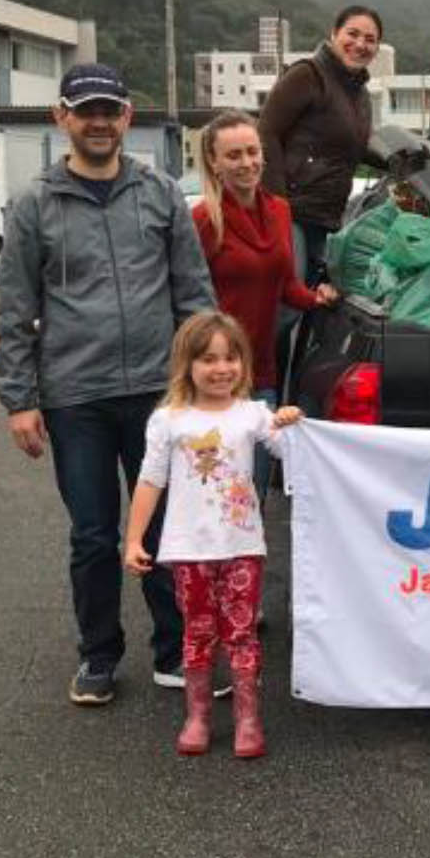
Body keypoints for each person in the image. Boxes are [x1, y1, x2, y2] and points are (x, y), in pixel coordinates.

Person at [0, 62, 215, 707]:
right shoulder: (35, 203)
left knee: (169, 526)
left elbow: (192, 291)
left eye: (109, 110)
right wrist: (19, 399)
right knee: (93, 532)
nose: (98, 121)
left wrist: (203, 383)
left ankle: (175, 651)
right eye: (84, 110)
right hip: (76, 396)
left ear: (126, 117)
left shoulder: (160, 192)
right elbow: (16, 306)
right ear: (60, 118)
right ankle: (98, 654)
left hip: (157, 391)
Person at [122, 312, 304, 758]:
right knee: (197, 632)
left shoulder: (253, 415)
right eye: (208, 359)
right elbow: (150, 479)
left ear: (243, 363)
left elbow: (288, 452)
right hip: (188, 549)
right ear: (187, 365)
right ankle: (198, 715)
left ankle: (248, 718)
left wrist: (289, 422)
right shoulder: (169, 420)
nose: (221, 368)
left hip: (242, 546)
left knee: (241, 633)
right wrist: (134, 539)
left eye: (230, 358)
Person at [192, 110, 339, 498]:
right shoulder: (202, 220)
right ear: (214, 161)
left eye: (252, 152)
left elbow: (287, 285)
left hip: (261, 374)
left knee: (251, 493)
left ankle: (244, 563)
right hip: (212, 378)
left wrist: (316, 298)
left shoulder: (280, 211)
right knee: (211, 491)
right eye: (234, 155)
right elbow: (184, 302)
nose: (247, 163)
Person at [259, 4, 389, 284]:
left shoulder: (360, 95)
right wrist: (277, 205)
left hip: (327, 215)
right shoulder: (308, 74)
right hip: (291, 212)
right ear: (334, 34)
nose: (360, 44)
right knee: (288, 301)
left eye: (370, 39)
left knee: (314, 301)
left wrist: (401, 160)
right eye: (352, 34)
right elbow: (266, 133)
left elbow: (356, 146)